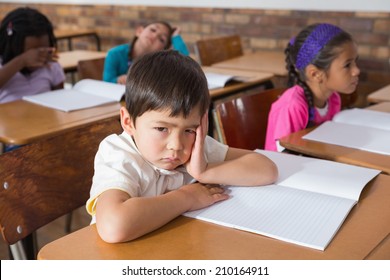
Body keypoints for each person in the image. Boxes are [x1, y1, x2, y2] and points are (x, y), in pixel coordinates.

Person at [87, 50, 278, 243]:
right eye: (162, 128)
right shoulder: (119, 154)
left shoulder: (196, 147)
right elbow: (114, 226)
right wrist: (187, 198)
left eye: (189, 129)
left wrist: (204, 172)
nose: (177, 145)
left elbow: (267, 170)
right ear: (128, 122)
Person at [265, 23, 360, 152]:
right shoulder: (293, 106)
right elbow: (285, 157)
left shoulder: (334, 99)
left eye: (355, 62)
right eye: (348, 65)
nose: (356, 71)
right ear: (315, 74)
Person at [0, 7, 65, 104]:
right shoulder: (2, 64)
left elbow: (61, 99)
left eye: (44, 50)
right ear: (12, 48)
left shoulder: (50, 65)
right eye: (31, 53)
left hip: (44, 117)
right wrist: (22, 61)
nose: (39, 57)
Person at [103, 21, 189, 84]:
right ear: (139, 31)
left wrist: (176, 37)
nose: (155, 36)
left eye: (161, 39)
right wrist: (117, 80)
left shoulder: (159, 64)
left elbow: (186, 64)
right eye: (153, 30)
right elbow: (106, 83)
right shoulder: (114, 54)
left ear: (163, 50)